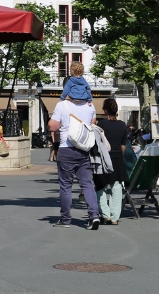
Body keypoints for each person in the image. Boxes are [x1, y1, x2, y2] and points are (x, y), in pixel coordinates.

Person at [49, 93, 101, 230]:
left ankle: (65, 219)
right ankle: (94, 215)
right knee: (87, 184)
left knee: (66, 185)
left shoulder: (62, 105)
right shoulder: (90, 105)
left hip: (66, 148)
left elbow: (52, 127)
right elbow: (92, 123)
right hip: (83, 148)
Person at [93, 99, 128, 225]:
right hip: (117, 158)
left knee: (100, 186)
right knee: (116, 187)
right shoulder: (123, 125)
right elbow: (123, 146)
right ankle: (114, 217)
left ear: (106, 110)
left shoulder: (101, 125)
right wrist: (119, 155)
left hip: (103, 158)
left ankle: (105, 214)